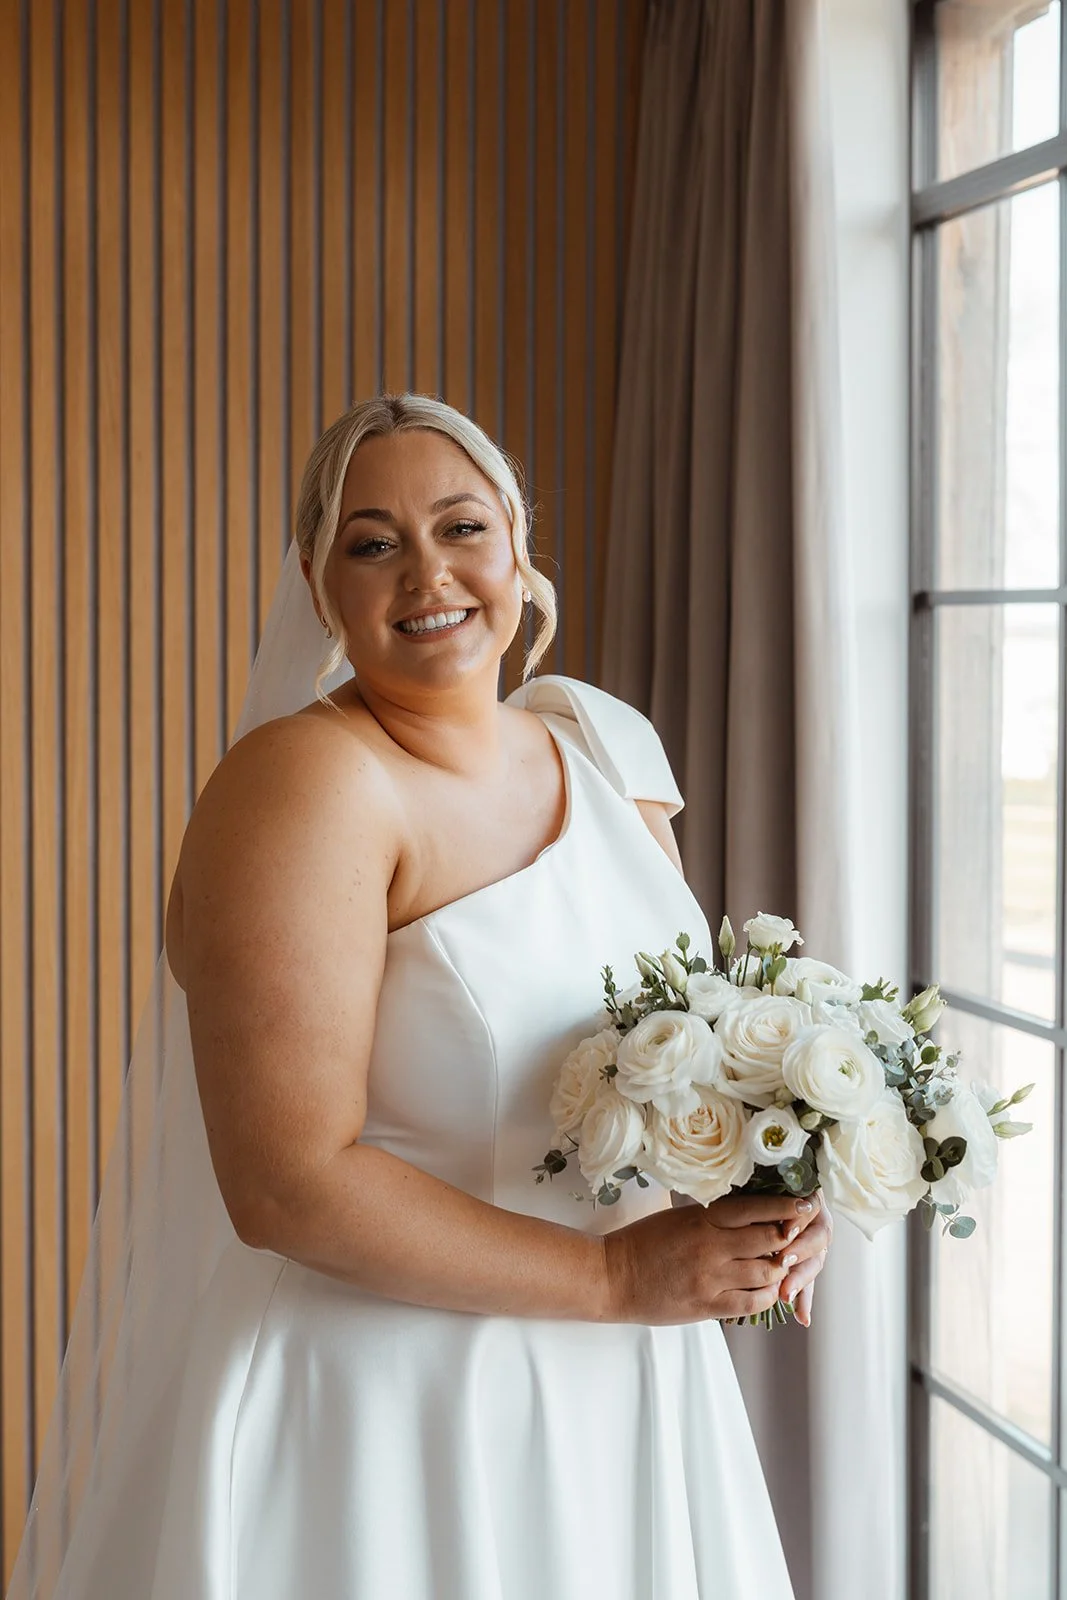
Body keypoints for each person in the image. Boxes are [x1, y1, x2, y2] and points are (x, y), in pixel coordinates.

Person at [6, 393, 830, 1599]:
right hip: (391, 1406)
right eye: (372, 542)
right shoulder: (304, 785)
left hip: (628, 1382)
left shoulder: (599, 743)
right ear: (316, 581)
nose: (426, 574)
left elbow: (686, 1042)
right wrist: (614, 1279)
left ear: (515, 545)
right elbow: (284, 1181)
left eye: (460, 528)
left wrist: (770, 1178)